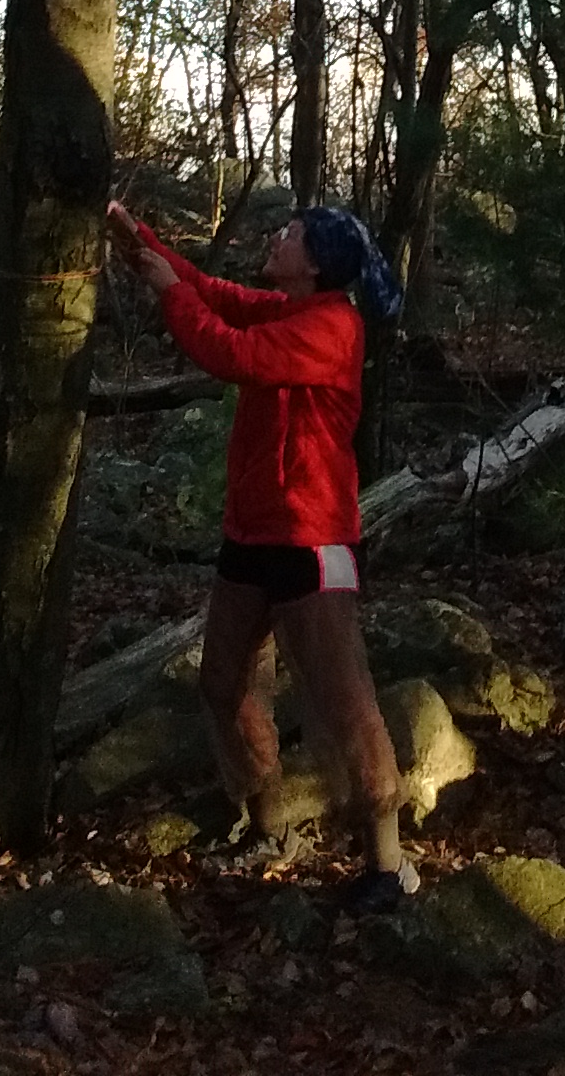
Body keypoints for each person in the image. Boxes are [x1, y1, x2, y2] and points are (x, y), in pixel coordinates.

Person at [107, 194, 415, 911]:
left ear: (315, 263)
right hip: (252, 534)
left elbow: (229, 352)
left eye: (291, 234)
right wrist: (135, 235)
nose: (277, 237)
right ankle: (267, 820)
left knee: (343, 701)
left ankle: (387, 862)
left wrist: (169, 291)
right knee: (223, 683)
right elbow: (213, 293)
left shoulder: (332, 327)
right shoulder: (287, 308)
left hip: (314, 540)